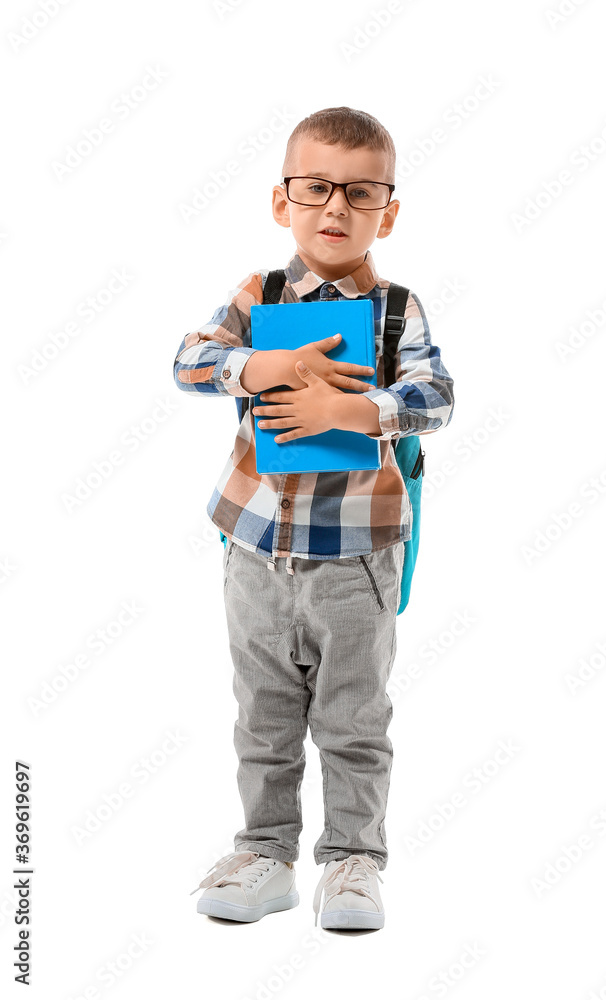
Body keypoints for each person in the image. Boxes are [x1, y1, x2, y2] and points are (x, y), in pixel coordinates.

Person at [174, 106, 455, 930]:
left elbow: (436, 396)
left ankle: (353, 861)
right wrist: (258, 364)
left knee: (353, 717)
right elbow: (189, 360)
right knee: (261, 714)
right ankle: (264, 853)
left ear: (386, 212)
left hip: (356, 559)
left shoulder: (397, 311)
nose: (335, 208)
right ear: (281, 201)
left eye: (358, 193)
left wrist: (355, 411)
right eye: (316, 188)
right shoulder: (255, 296)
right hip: (254, 551)